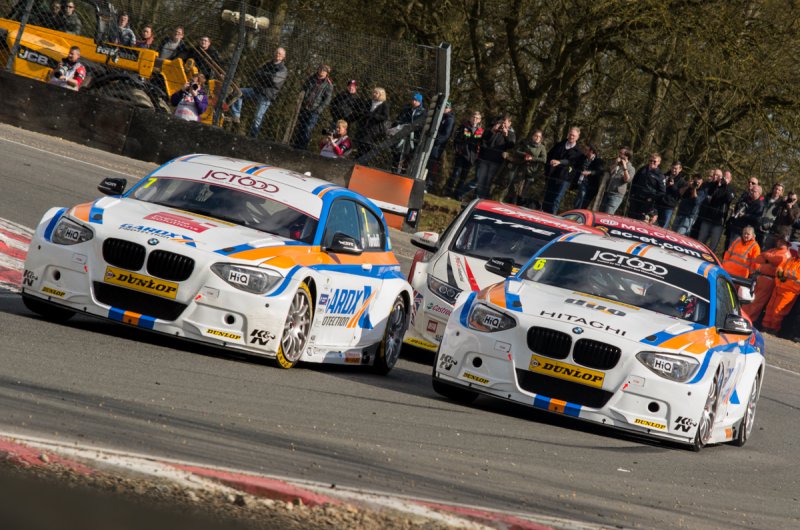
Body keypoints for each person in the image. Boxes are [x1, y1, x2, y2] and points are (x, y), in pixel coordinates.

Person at [230, 47, 288, 138]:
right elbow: (257, 73)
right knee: (239, 92)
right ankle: (236, 115)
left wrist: (263, 75)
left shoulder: (283, 69)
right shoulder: (268, 64)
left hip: (267, 95)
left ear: (283, 57)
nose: (277, 54)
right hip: (258, 90)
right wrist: (267, 76)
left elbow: (274, 81)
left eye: (280, 53)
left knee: (258, 117)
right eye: (276, 52)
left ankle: (253, 137)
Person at [743, 236, 791, 323]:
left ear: (787, 244)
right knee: (748, 298)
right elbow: (758, 258)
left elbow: (777, 260)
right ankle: (742, 315)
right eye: (779, 240)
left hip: (769, 280)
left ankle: (748, 320)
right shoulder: (773, 250)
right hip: (760, 277)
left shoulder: (786, 254)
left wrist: (766, 257)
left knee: (757, 301)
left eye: (782, 242)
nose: (779, 243)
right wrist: (769, 260)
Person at [292, 64, 334, 150]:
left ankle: (303, 147)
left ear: (327, 73)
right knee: (301, 127)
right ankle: (296, 145)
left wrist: (319, 109)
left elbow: (327, 100)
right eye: (320, 69)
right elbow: (303, 88)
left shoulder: (328, 84)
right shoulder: (311, 79)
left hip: (315, 110)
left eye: (324, 70)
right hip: (305, 107)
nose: (322, 71)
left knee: (308, 128)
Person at [761, 242, 800, 333]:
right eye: (799, 249)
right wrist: (781, 275)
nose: (799, 250)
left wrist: (785, 276)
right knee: (769, 308)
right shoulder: (791, 260)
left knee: (778, 311)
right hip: (779, 287)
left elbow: (796, 278)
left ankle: (773, 329)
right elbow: (780, 268)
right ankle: (765, 327)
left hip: (790, 291)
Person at [474, 114, 515, 199]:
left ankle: (482, 200)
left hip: (496, 161)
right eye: (501, 122)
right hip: (484, 158)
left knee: (488, 181)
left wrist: (506, 135)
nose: (503, 125)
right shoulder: (491, 129)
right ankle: (477, 199)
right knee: (480, 180)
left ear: (509, 123)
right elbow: (482, 140)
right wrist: (492, 131)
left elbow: (511, 146)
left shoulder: (511, 134)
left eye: (505, 123)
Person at [542, 127, 582, 214]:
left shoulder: (578, 152)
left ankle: (552, 218)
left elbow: (572, 162)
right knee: (547, 198)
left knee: (556, 200)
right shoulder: (559, 145)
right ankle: (542, 216)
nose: (571, 137)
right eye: (570, 134)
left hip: (565, 179)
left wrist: (560, 162)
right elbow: (549, 156)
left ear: (578, 137)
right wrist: (549, 167)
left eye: (574, 135)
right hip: (552, 175)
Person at [443, 111, 483, 199]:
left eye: (477, 118)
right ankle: (447, 193)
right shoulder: (463, 127)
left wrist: (476, 157)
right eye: (473, 117)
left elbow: (481, 145)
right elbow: (456, 139)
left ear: (479, 120)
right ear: (470, 118)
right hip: (461, 155)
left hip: (471, 158)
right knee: (455, 174)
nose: (475, 119)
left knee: (463, 177)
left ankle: (457, 195)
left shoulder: (481, 131)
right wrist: (458, 150)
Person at [504, 129, 547, 207]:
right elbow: (517, 151)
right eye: (536, 136)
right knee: (514, 188)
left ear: (541, 138)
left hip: (531, 172)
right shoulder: (526, 143)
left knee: (524, 192)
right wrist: (525, 155)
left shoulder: (542, 147)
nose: (537, 138)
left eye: (539, 137)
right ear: (532, 136)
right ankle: (510, 205)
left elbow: (544, 159)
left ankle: (519, 207)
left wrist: (532, 158)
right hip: (521, 169)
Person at [695, 168, 734, 253]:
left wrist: (726, 185)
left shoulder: (731, 189)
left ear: (730, 179)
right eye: (724, 176)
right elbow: (710, 195)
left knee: (712, 246)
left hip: (718, 222)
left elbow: (728, 199)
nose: (725, 179)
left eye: (727, 177)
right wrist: (718, 185)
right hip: (708, 218)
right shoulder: (715, 185)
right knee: (700, 242)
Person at [388, 92, 426, 172]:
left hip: (412, 137)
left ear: (420, 101)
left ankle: (402, 172)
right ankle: (394, 169)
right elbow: (398, 119)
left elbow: (418, 124)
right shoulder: (406, 109)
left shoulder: (423, 112)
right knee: (397, 153)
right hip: (400, 134)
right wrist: (396, 127)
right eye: (413, 99)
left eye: (416, 100)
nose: (414, 102)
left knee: (407, 155)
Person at [426, 101, 455, 192]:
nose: (444, 109)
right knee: (426, 163)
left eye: (446, 107)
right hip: (430, 143)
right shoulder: (438, 116)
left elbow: (446, 134)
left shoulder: (449, 119)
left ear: (449, 109)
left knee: (432, 165)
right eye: (443, 107)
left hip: (437, 147)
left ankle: (428, 185)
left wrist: (435, 141)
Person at [725, 184, 764, 250]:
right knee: (731, 247)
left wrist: (745, 215)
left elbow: (757, 219)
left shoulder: (760, 204)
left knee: (738, 249)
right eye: (751, 190)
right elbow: (737, 206)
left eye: (754, 191)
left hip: (746, 231)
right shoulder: (745, 199)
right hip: (736, 227)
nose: (751, 192)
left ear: (759, 193)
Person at [354, 87, 390, 156]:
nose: (374, 94)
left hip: (374, 127)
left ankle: (364, 157)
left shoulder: (384, 104)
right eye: (373, 92)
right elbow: (363, 111)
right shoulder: (369, 102)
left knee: (367, 143)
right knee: (360, 142)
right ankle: (359, 156)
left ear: (381, 94)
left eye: (376, 93)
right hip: (365, 125)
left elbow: (385, 117)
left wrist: (374, 115)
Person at [628, 153, 665, 220]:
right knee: (630, 218)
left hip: (647, 202)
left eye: (654, 161)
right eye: (650, 160)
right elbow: (634, 182)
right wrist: (632, 194)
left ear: (659, 162)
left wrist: (652, 198)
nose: (652, 162)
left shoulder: (660, 175)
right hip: (636, 198)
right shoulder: (642, 169)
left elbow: (662, 191)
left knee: (640, 220)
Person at [600, 147, 635, 215]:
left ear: (626, 156)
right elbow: (609, 171)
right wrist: (615, 164)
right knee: (600, 214)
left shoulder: (631, 168)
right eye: (619, 152)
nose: (619, 155)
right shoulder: (616, 163)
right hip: (607, 192)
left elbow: (627, 180)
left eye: (621, 153)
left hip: (616, 195)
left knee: (607, 215)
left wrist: (625, 168)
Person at [572, 143, 604, 210]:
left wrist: (590, 172)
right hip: (580, 183)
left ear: (591, 151)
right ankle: (575, 212)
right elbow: (575, 166)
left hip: (590, 186)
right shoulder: (582, 158)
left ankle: (579, 213)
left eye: (586, 149)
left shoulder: (598, 161)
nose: (584, 151)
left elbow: (600, 171)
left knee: (583, 202)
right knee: (578, 201)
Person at [657, 161, 684, 228]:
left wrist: (673, 186)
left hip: (669, 206)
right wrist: (665, 184)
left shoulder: (682, 182)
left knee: (663, 226)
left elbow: (680, 194)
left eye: (676, 168)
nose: (673, 170)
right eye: (672, 168)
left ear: (680, 169)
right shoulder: (664, 176)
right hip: (659, 203)